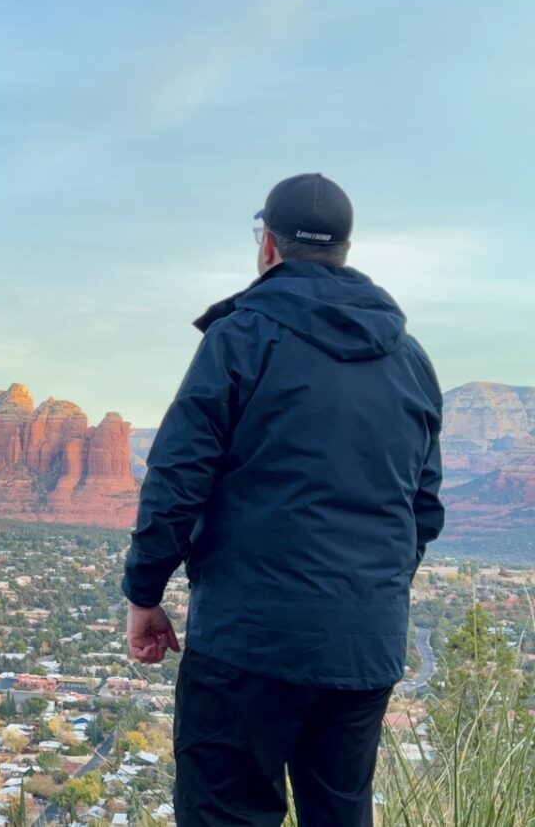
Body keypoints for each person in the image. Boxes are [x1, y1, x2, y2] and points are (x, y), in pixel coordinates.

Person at [120, 173, 444, 826]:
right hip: (363, 647)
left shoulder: (240, 339)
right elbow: (423, 508)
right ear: (346, 249)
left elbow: (178, 477)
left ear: (268, 245)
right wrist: (367, 595)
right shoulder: (411, 362)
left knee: (226, 813)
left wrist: (144, 594)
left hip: (249, 643)